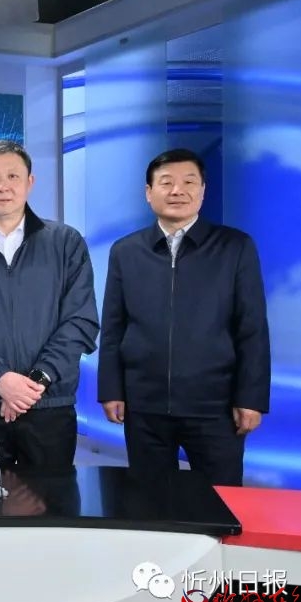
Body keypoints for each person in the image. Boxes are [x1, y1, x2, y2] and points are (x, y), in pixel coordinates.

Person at [97, 149, 270, 486]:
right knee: (151, 502)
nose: (177, 190)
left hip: (215, 407)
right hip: (144, 407)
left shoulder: (235, 247)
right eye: (166, 183)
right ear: (149, 193)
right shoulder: (126, 251)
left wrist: (250, 398)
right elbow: (114, 327)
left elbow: (252, 329)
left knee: (220, 502)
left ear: (203, 191)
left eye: (189, 182)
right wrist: (111, 390)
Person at [0, 140, 99, 476]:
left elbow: (80, 320)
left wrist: (34, 383)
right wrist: (0, 379)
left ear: (29, 182)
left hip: (49, 405)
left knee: (52, 502)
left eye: (13, 176)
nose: (3, 186)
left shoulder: (66, 242)